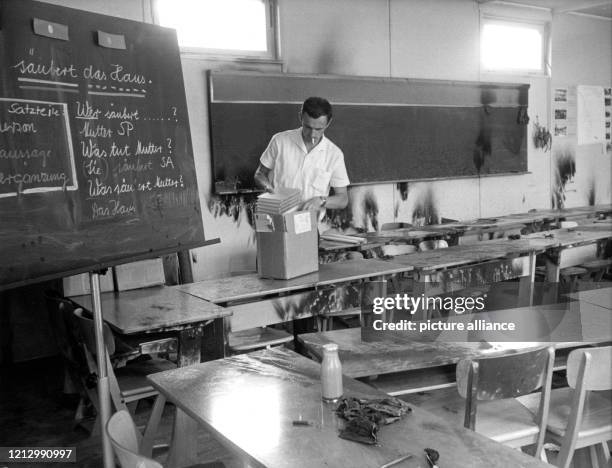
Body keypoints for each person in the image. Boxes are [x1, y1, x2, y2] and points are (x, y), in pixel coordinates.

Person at [253, 97, 349, 213]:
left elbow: (343, 199)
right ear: (300, 117)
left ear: (328, 123)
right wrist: (268, 188)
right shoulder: (280, 141)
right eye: (308, 127)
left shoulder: (334, 155)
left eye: (318, 129)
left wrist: (321, 201)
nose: (312, 134)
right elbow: (260, 174)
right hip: (278, 219)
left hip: (309, 225)